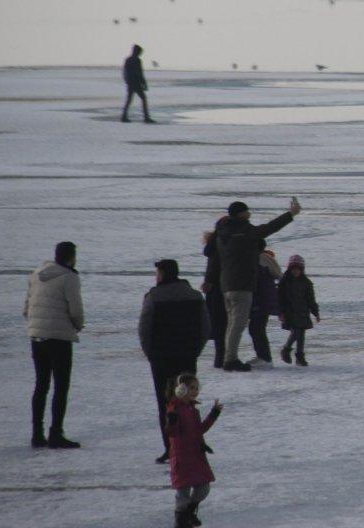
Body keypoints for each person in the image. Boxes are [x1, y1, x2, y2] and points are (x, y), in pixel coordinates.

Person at [215, 197, 301, 372]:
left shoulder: (222, 233)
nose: (250, 214)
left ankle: (227, 357)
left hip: (226, 284)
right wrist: (291, 214)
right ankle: (230, 359)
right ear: (241, 214)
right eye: (247, 211)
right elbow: (269, 228)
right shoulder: (244, 231)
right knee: (237, 325)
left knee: (232, 323)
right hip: (242, 284)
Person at [139, 258, 210, 463]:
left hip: (161, 358)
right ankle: (192, 445)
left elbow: (144, 329)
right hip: (187, 356)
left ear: (162, 274)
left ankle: (171, 448)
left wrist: (150, 353)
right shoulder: (195, 296)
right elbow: (205, 328)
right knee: (188, 402)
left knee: (166, 404)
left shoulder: (153, 297)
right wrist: (195, 350)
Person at [24, 241, 84, 449]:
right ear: (71, 257)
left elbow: (26, 307)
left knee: (41, 385)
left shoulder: (37, 273)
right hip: (59, 338)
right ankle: (56, 433)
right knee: (61, 385)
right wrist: (78, 325)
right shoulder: (69, 277)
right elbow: (75, 310)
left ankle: (37, 434)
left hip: (36, 337)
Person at [166, 373, 223, 528]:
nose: (195, 391)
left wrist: (214, 414)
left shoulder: (192, 409)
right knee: (183, 492)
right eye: (191, 388)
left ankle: (189, 512)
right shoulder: (175, 409)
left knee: (204, 488)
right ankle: (181, 519)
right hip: (182, 457)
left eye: (197, 388)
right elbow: (172, 433)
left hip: (196, 455)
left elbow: (200, 430)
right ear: (181, 389)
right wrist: (172, 420)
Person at [278, 255, 320, 367]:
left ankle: (300, 356)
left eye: (298, 269)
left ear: (302, 270)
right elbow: (279, 299)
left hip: (302, 312)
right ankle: (286, 349)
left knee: (301, 334)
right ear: (290, 269)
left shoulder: (306, 283)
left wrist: (315, 312)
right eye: (293, 269)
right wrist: (281, 312)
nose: (296, 271)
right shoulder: (284, 282)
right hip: (289, 312)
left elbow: (311, 299)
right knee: (295, 332)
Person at [246, 246, 282, 367]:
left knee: (256, 328)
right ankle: (263, 356)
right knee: (256, 327)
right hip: (262, 300)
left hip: (261, 300)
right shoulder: (263, 258)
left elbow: (277, 276)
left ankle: (264, 357)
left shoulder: (261, 259)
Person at [200, 222, 227, 368]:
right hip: (221, 288)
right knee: (222, 324)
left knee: (218, 325)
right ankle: (222, 358)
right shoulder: (221, 243)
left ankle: (220, 358)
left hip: (215, 288)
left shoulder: (213, 244)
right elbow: (214, 266)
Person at [122, 44, 154, 123]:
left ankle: (124, 116)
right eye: (139, 52)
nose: (140, 54)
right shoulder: (136, 60)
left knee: (129, 100)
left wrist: (127, 81)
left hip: (131, 83)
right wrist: (144, 83)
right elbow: (140, 73)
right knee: (142, 98)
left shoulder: (128, 59)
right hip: (135, 83)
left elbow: (125, 72)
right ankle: (146, 117)